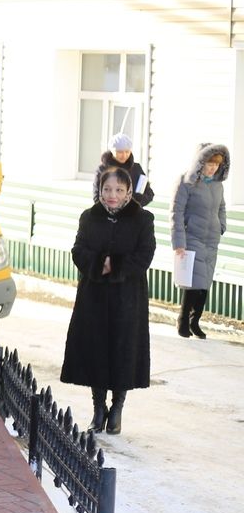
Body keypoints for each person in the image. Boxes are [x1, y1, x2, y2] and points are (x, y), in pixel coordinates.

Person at [60, 166, 155, 435]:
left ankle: (117, 408)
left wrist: (117, 265)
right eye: (107, 189)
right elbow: (78, 250)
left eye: (118, 190)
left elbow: (145, 254)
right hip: (95, 297)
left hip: (128, 299)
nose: (112, 195)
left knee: (123, 352)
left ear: (127, 193)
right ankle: (98, 408)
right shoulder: (89, 217)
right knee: (97, 351)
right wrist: (99, 264)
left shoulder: (142, 219)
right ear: (100, 190)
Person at [171, 144, 231, 339]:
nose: (213, 168)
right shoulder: (186, 182)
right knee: (193, 282)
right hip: (193, 237)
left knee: (205, 283)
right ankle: (183, 321)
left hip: (211, 239)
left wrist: (221, 225)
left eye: (216, 164)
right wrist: (179, 241)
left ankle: (195, 322)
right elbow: (176, 212)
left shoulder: (217, 184)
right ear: (200, 162)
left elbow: (221, 207)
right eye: (209, 163)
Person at [93, 133, 154, 208]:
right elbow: (96, 196)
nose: (124, 155)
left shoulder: (136, 168)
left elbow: (149, 193)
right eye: (120, 152)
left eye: (127, 152)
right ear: (112, 151)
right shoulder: (102, 170)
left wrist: (135, 205)